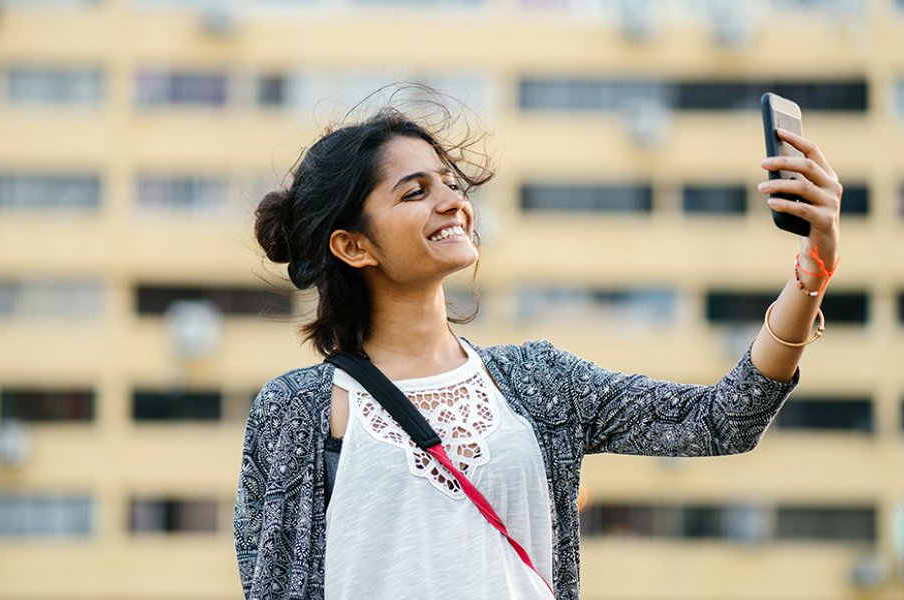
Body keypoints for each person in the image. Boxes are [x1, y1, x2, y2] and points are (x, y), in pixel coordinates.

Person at [234, 99, 842, 600]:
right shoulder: (297, 412)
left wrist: (812, 271)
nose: (452, 201)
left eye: (451, 183)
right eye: (414, 192)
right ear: (354, 246)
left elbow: (719, 420)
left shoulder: (538, 381)